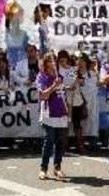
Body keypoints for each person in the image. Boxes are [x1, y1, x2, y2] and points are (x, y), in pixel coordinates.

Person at [36, 52, 68, 181]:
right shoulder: (41, 77)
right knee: (49, 140)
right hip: (49, 113)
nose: (53, 62)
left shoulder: (60, 76)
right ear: (45, 63)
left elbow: (64, 94)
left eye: (55, 59)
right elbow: (43, 96)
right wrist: (54, 86)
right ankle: (43, 169)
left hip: (61, 113)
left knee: (61, 142)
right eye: (50, 60)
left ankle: (57, 167)